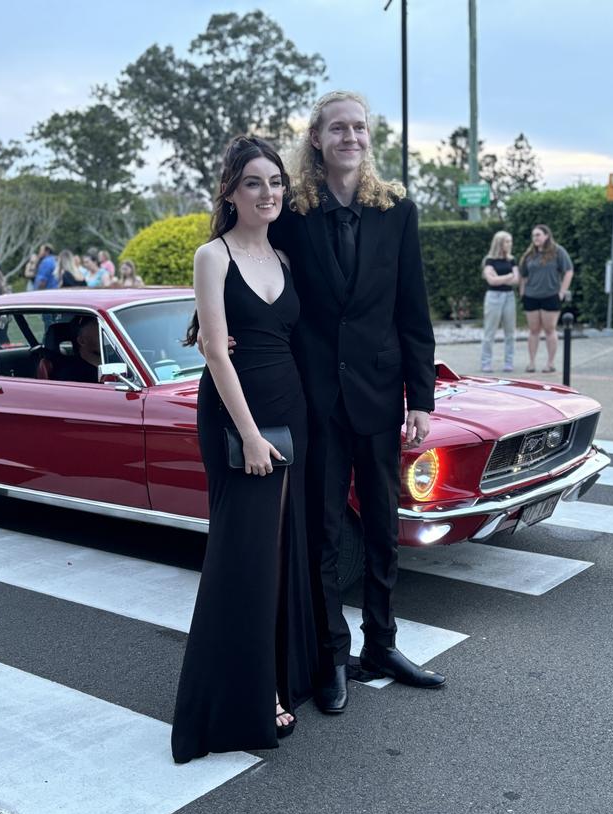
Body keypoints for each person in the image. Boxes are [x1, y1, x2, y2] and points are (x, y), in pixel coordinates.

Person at [270, 90, 445, 714]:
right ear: (316, 139)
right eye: (337, 128)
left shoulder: (398, 210)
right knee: (322, 532)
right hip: (315, 399)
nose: (351, 136)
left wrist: (419, 399)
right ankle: (330, 655)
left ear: (369, 138)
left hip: (379, 392)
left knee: (381, 528)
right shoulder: (289, 212)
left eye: (360, 128)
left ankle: (383, 644)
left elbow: (412, 310)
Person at [171, 136, 317, 763]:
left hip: (292, 412)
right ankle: (243, 699)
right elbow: (212, 349)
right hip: (239, 421)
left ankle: (283, 675)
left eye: (276, 181)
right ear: (230, 191)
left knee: (283, 552)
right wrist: (251, 434)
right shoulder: (214, 255)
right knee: (245, 558)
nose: (269, 193)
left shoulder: (284, 255)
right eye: (254, 182)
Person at [519, 224, 574, 373]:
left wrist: (562, 292)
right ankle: (531, 363)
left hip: (550, 296)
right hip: (531, 296)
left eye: (538, 235)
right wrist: (522, 292)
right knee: (533, 330)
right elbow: (523, 275)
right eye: (533, 236)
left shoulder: (558, 251)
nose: (535, 238)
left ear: (546, 236)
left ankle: (550, 363)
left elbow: (568, 271)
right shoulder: (529, 255)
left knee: (550, 330)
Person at [480, 230, 519, 373]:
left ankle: (509, 363)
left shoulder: (512, 260)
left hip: (509, 296)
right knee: (490, 332)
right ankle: (486, 362)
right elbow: (491, 281)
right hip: (493, 297)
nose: (510, 244)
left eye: (510, 241)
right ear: (499, 243)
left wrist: (501, 278)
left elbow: (516, 279)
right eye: (507, 241)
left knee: (510, 332)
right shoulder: (489, 260)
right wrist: (508, 276)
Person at [51, 317, 101, 383]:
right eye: (100, 335)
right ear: (82, 341)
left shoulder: (113, 360)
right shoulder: (71, 375)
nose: (107, 340)